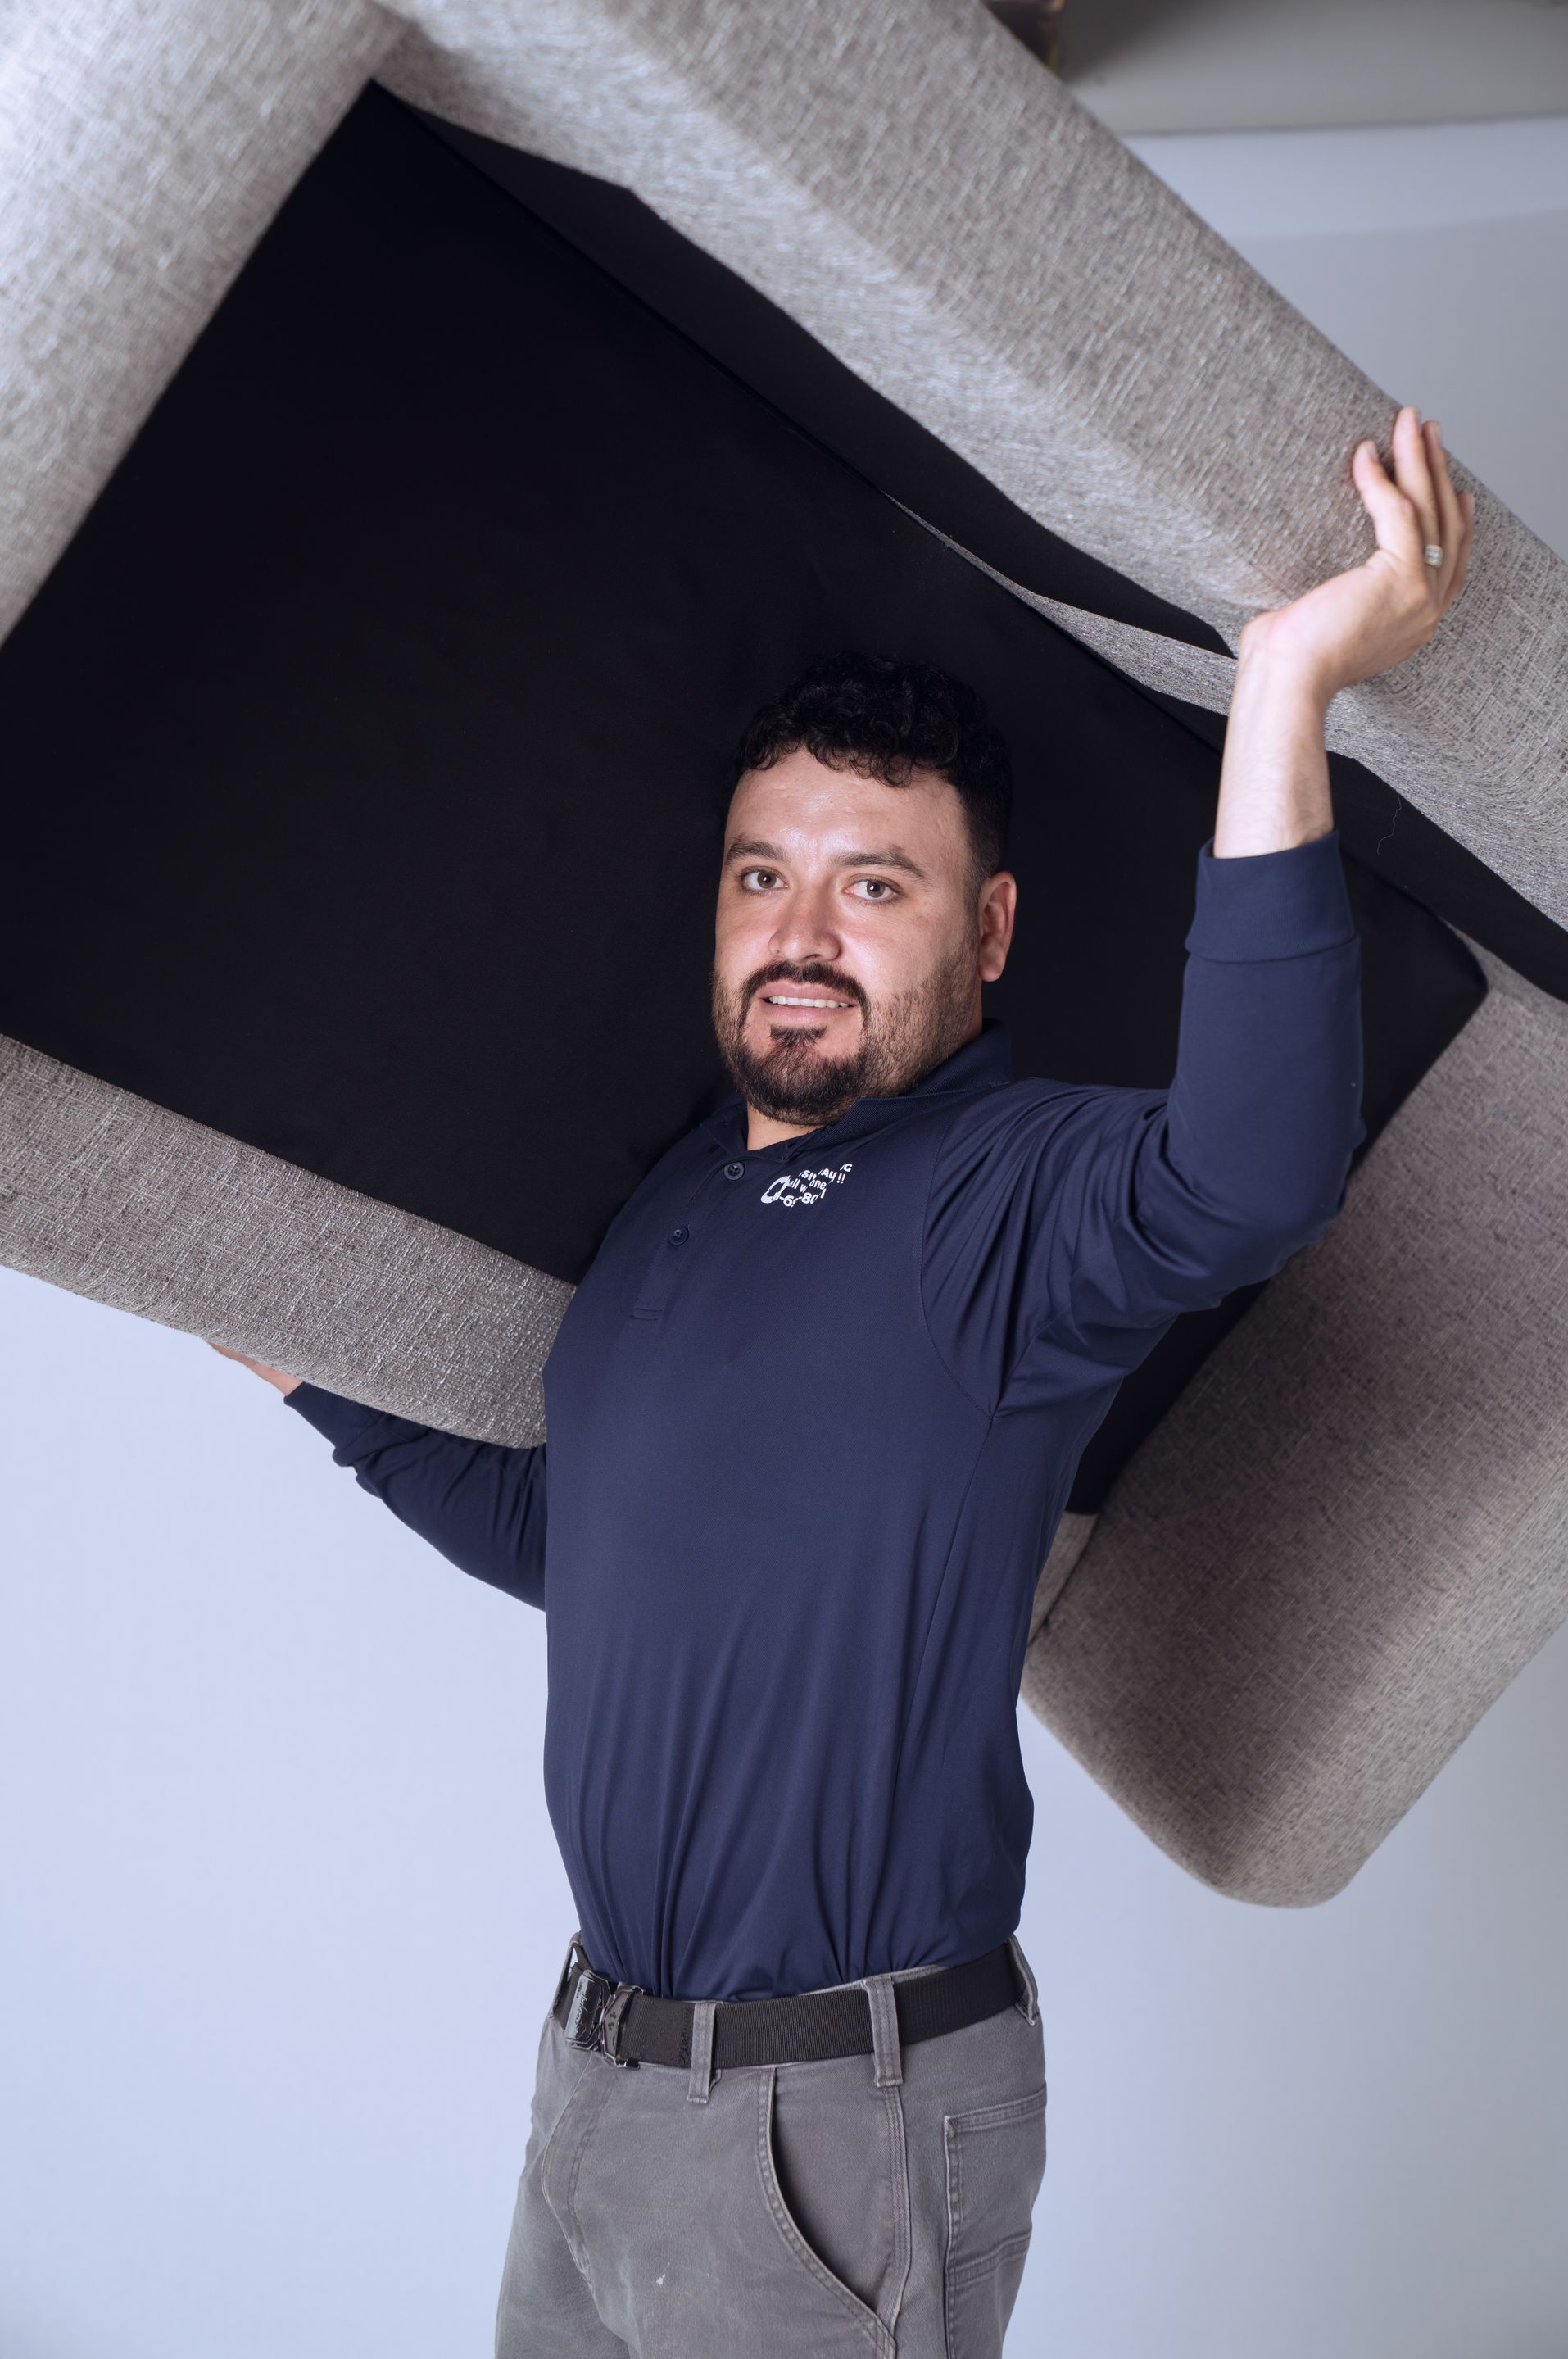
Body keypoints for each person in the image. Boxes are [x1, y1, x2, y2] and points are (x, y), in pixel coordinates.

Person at [215, 406, 1471, 2357]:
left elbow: (1249, 1169)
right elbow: (586, 1540)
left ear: (987, 934)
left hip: (828, 2127)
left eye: (871, 888)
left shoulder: (1008, 1194)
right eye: (759, 876)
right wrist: (313, 1383)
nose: (796, 936)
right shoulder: (670, 1209)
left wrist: (1287, 684)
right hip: (594, 2078)